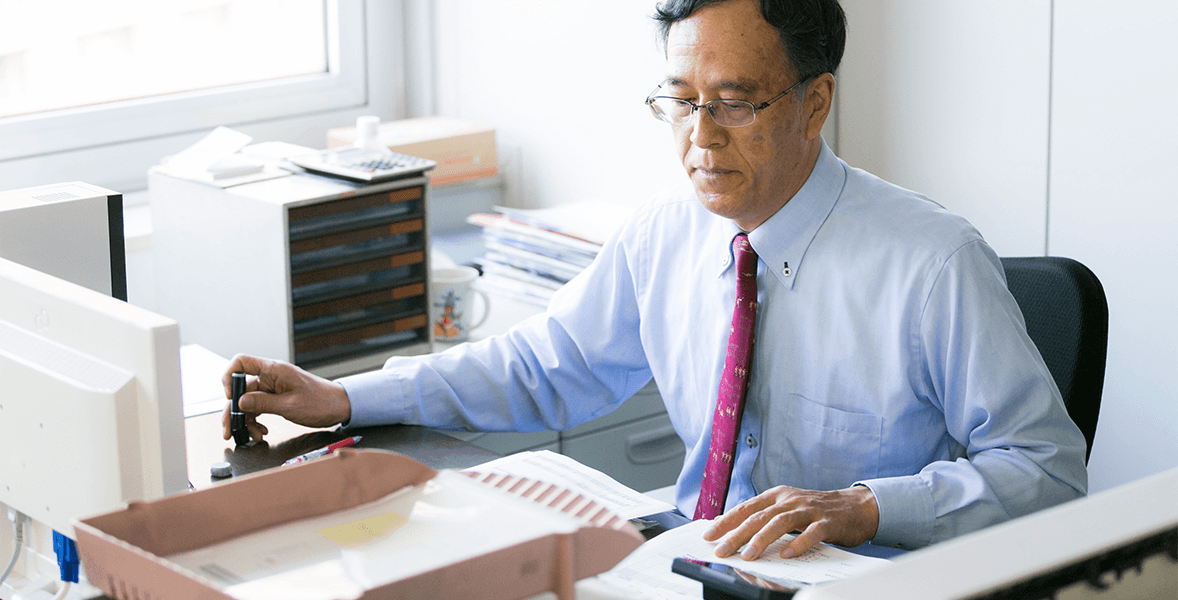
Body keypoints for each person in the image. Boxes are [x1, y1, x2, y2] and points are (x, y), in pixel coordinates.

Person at [223, 0, 1087, 561]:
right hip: (690, 560)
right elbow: (543, 366)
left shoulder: (932, 263)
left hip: (858, 583)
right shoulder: (665, 232)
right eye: (680, 100)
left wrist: (864, 507)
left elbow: (1047, 470)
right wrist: (345, 399)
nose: (700, 139)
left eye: (736, 103)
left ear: (815, 102)